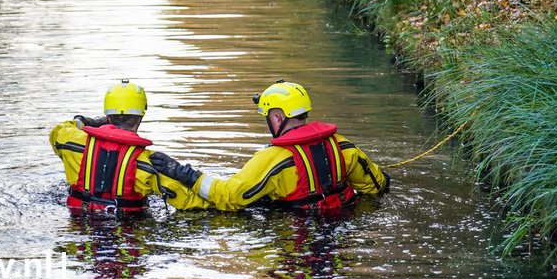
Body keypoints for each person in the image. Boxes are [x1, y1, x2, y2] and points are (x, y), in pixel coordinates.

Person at [149, 80, 389, 212]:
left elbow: (229, 197)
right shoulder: (343, 146)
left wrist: (185, 174)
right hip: (342, 233)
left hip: (295, 236)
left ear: (277, 117)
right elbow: (377, 186)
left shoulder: (273, 159)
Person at [50, 80, 210, 214]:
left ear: (107, 115)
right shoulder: (149, 164)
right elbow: (191, 204)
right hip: (127, 231)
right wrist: (185, 175)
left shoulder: (70, 142)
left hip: (79, 224)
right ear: (141, 116)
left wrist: (88, 121)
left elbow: (58, 130)